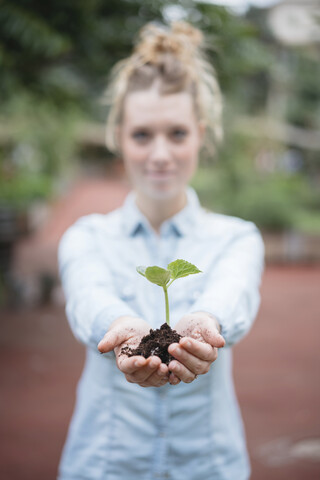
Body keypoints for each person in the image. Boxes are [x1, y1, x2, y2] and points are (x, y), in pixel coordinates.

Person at [57, 21, 264, 480]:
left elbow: (234, 294)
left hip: (207, 465)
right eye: (142, 135)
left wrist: (206, 323)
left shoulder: (237, 237)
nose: (160, 154)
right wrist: (119, 328)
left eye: (177, 133)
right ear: (118, 136)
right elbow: (87, 296)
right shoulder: (86, 237)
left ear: (200, 134)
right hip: (105, 464)